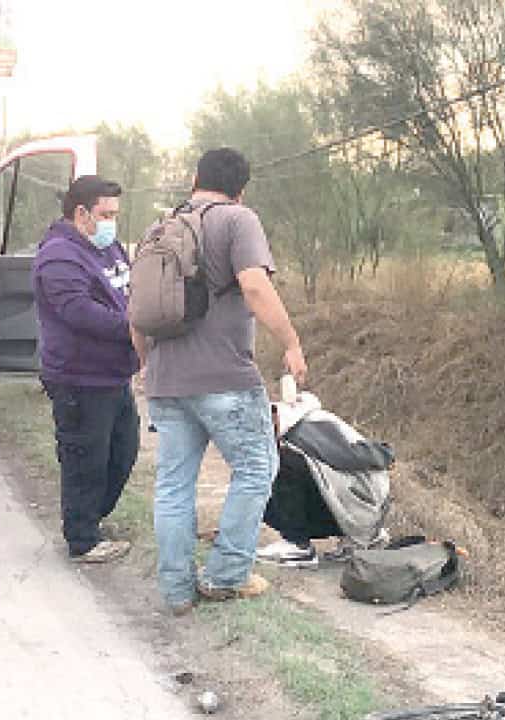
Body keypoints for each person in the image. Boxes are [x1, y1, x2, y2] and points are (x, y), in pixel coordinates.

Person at [134, 148, 308, 614]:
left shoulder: (159, 228)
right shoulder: (237, 219)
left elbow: (138, 310)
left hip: (167, 381)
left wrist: (148, 363)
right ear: (241, 187)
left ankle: (175, 591)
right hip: (224, 377)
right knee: (256, 468)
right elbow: (254, 286)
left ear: (195, 178)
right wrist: (290, 342)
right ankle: (226, 575)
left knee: (173, 484)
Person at [33, 175, 140, 563]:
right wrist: (134, 328)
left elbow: (130, 290)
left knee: (123, 450)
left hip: (114, 374)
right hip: (79, 377)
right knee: (85, 457)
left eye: (115, 214)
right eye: (106, 214)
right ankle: (82, 538)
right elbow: (79, 311)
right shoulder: (59, 256)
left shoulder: (108, 248)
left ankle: (92, 518)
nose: (112, 222)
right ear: (82, 213)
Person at [258, 393, 393, 567]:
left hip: (366, 506)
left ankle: (297, 545)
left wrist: (386, 454)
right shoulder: (299, 425)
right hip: (360, 505)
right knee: (262, 473)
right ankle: (352, 540)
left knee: (281, 464)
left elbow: (353, 454)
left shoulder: (307, 428)